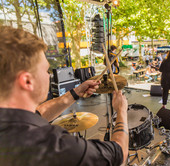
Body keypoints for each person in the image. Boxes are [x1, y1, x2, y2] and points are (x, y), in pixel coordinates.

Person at [0, 26, 128, 166]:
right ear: (27, 81)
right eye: (46, 70)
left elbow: (38, 114)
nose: (49, 75)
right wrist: (121, 111)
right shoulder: (51, 146)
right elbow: (119, 153)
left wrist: (75, 92)